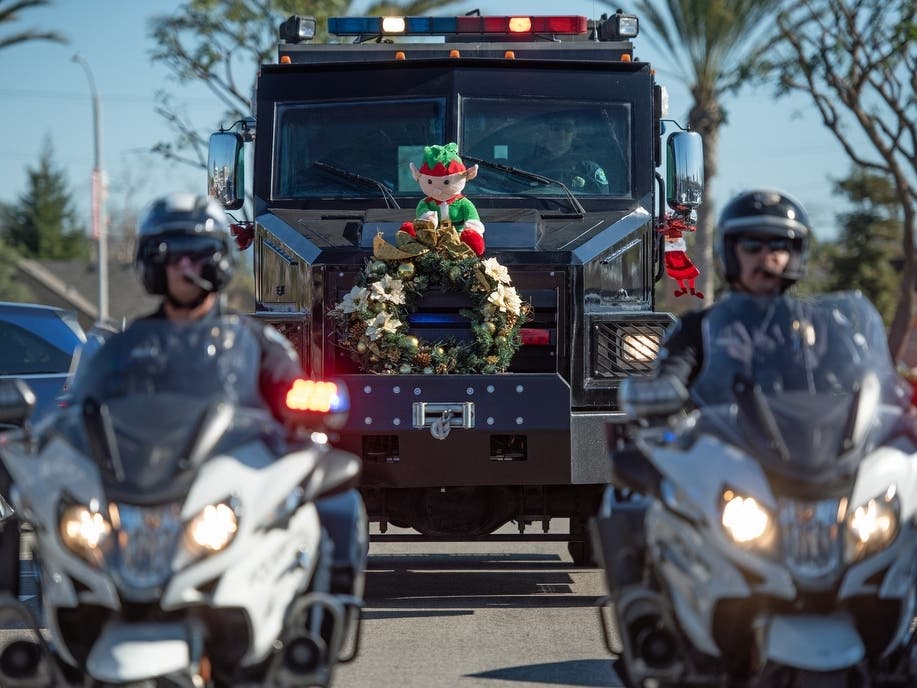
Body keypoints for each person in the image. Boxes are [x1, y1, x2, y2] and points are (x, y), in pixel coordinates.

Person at [83, 193, 366, 597]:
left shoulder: (257, 343)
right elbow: (83, 409)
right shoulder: (122, 349)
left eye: (198, 253)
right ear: (151, 264)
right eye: (170, 254)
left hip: (230, 492)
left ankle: (309, 631)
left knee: (329, 511)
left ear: (218, 260)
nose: (184, 266)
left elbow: (297, 395)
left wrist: (310, 400)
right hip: (141, 494)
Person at [619, 188, 811, 415]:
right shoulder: (697, 328)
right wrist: (662, 390)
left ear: (795, 253)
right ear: (731, 252)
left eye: (779, 245)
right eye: (752, 246)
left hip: (808, 443)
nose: (766, 257)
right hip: (722, 443)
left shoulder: (820, 324)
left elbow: (854, 376)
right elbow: (672, 374)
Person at [521, 114, 610, 194]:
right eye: (556, 128)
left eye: (568, 129)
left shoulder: (588, 169)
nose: (562, 134)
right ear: (545, 132)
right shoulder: (526, 167)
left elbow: (604, 203)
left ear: (574, 134)